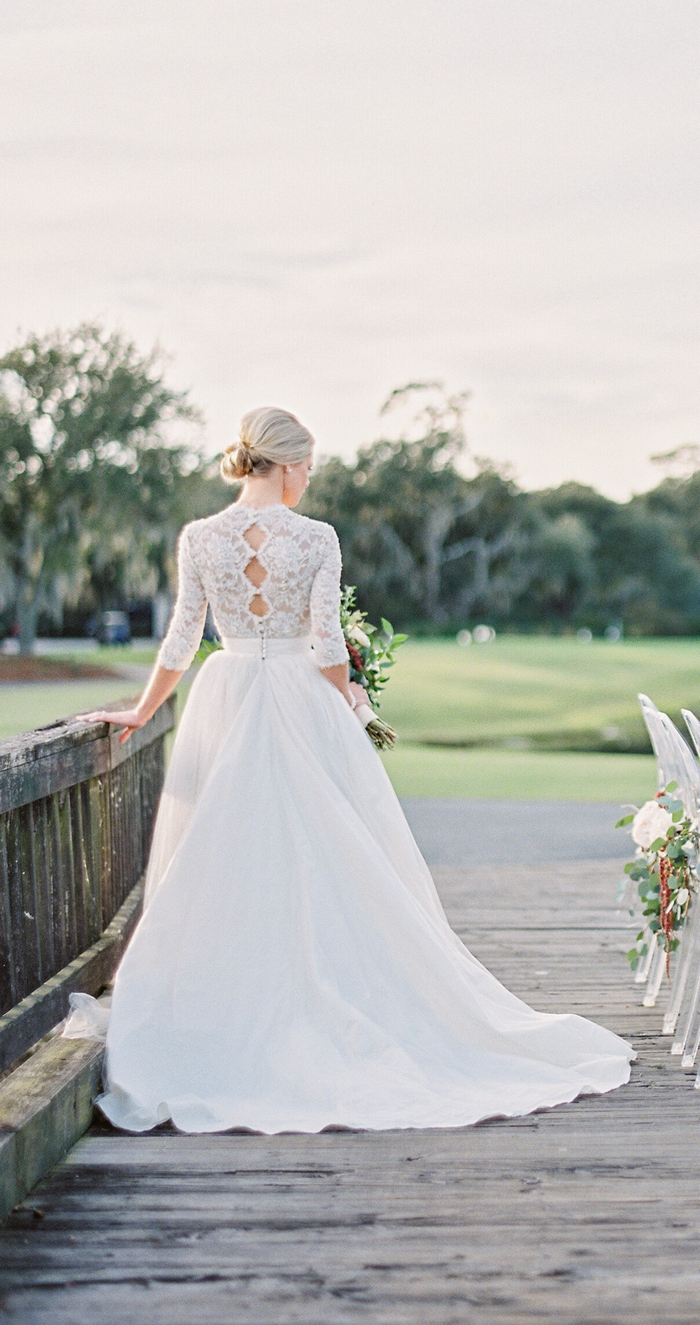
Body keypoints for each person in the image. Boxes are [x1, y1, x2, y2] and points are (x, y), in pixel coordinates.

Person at [65, 406, 634, 1134]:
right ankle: (315, 993)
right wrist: (349, 696)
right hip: (299, 700)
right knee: (325, 853)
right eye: (309, 466)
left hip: (227, 693)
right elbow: (327, 643)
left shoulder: (201, 536)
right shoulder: (316, 538)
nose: (309, 479)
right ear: (290, 463)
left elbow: (182, 636)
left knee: (223, 857)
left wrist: (143, 712)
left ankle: (223, 1007)